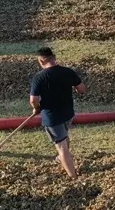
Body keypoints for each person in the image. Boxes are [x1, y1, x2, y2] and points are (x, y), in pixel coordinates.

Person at [29, 47, 87, 178]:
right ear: (54, 58)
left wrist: (36, 108)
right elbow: (82, 89)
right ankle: (63, 158)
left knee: (61, 146)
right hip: (68, 114)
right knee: (64, 136)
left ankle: (73, 176)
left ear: (41, 61)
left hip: (52, 118)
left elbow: (33, 99)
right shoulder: (68, 72)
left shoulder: (39, 77)